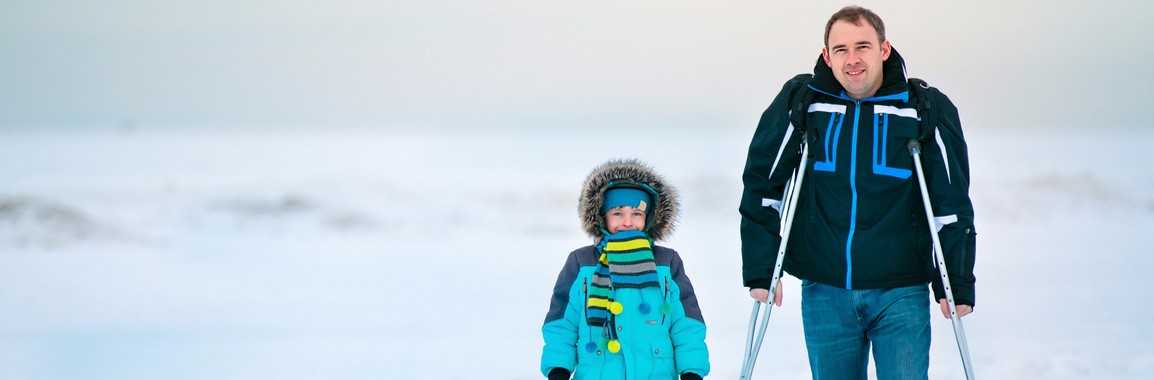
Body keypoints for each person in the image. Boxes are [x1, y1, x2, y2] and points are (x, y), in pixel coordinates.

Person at [739, 5, 977, 379]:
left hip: (901, 289)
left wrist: (957, 280)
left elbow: (950, 205)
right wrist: (760, 266)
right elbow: (763, 187)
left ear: (884, 49)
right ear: (826, 56)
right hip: (825, 288)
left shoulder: (922, 108)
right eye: (841, 49)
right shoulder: (803, 103)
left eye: (863, 46)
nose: (852, 60)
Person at [541, 159, 709, 380]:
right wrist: (558, 369)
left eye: (637, 213)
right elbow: (562, 323)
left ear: (649, 217)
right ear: (602, 216)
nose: (628, 222)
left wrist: (692, 371)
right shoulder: (581, 262)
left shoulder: (667, 262)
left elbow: (686, 324)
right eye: (618, 213)